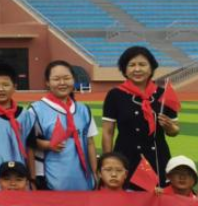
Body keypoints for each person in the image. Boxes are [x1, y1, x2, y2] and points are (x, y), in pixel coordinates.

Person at [101, 46, 180, 186]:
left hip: (157, 158)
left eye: (142, 64)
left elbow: (174, 131)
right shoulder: (115, 95)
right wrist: (108, 160)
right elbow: (108, 132)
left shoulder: (163, 94)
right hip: (125, 157)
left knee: (158, 195)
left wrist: (170, 127)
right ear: (124, 70)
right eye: (131, 65)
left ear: (151, 68)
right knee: (125, 196)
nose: (137, 69)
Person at [28, 60, 97, 192]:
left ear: (73, 79)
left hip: (84, 182)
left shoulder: (84, 110)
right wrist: (48, 145)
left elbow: (90, 143)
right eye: (56, 79)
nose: (62, 83)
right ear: (47, 82)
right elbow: (29, 143)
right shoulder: (36, 110)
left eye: (66, 78)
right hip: (51, 180)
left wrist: (95, 173)